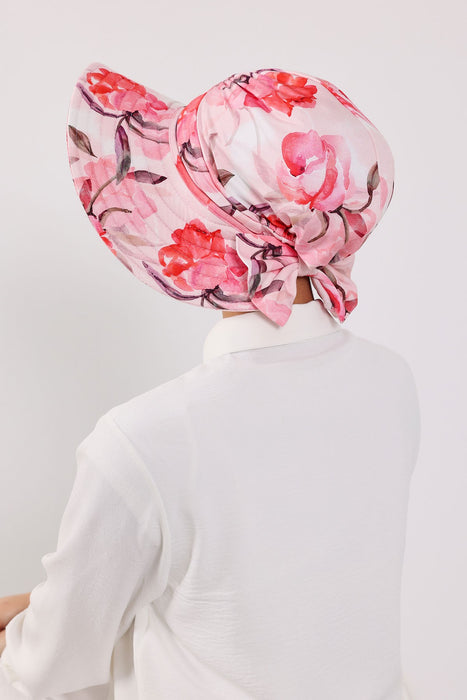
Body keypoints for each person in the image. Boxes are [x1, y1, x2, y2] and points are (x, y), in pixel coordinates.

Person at [0, 63, 421, 699]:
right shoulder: (391, 382)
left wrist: (28, 630)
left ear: (212, 235)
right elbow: (277, 595)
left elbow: (50, 667)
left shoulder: (143, 442)